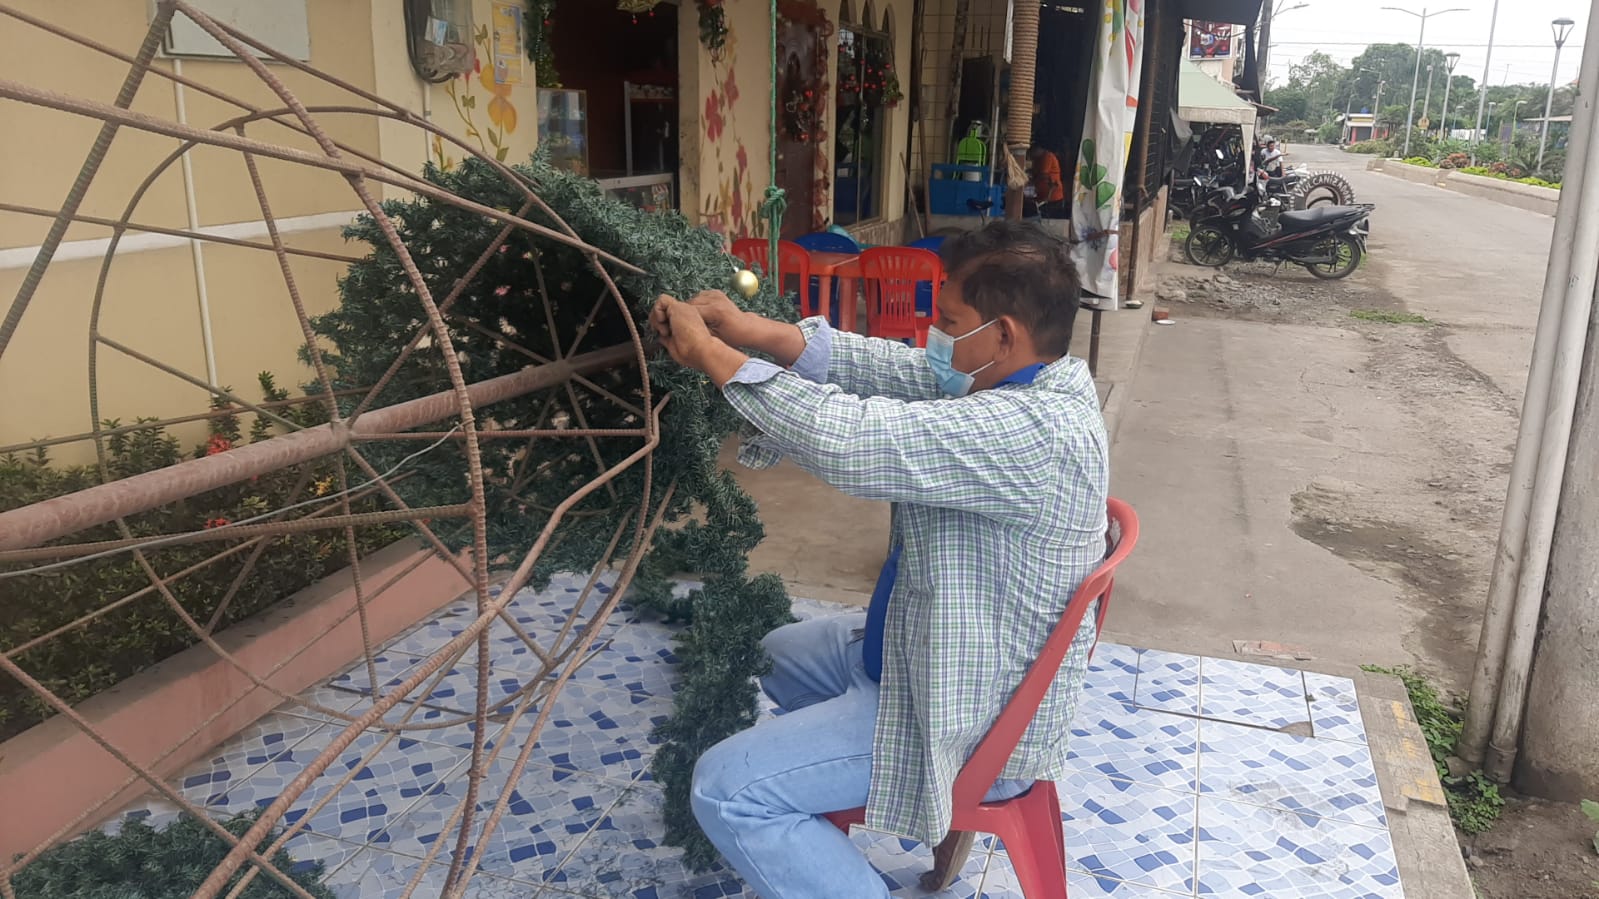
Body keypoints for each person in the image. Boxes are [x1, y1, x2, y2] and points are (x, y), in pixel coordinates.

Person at [649, 221, 1109, 898]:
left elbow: (853, 438)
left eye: (948, 320)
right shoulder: (1021, 380)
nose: (933, 335)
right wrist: (751, 331)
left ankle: (856, 800)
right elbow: (891, 369)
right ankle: (834, 794)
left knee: (725, 790)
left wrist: (714, 357)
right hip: (935, 649)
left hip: (967, 709)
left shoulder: (1033, 430)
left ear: (1004, 335)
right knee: (777, 655)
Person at [1026, 144, 1068, 218]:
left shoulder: (1047, 156)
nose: (1031, 157)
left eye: (1031, 153)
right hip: (1041, 195)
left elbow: (1043, 173)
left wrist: (1031, 180)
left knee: (1049, 216)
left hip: (1052, 196)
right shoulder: (1037, 159)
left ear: (1037, 149)